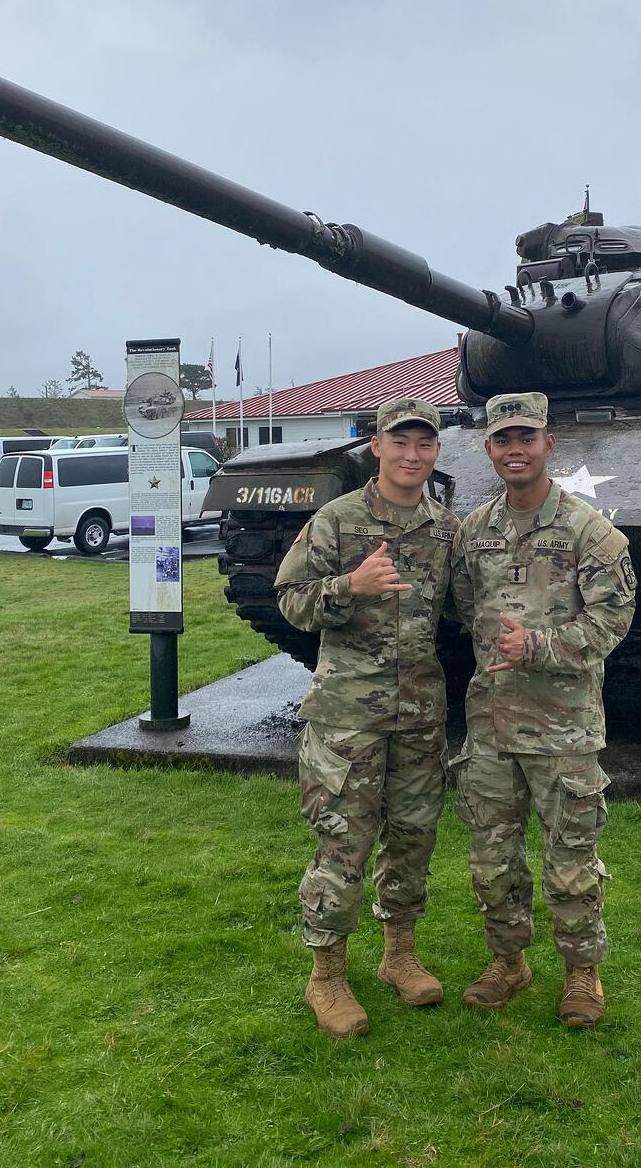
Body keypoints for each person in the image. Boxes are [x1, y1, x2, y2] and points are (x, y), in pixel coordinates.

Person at [450, 391, 635, 1028]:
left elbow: (613, 620)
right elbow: (462, 607)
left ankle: (583, 975)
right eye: (503, 440)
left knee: (571, 859)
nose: (515, 450)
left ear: (548, 444)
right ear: (489, 450)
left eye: (526, 437)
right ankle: (509, 962)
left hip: (563, 726)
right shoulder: (474, 533)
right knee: (491, 859)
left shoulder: (590, 531)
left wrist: (536, 646)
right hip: (491, 725)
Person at [274, 398, 458, 1039]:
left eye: (424, 444)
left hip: (419, 714)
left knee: (413, 838)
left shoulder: (444, 529)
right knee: (343, 843)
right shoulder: (338, 521)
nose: (412, 455)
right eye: (399, 442)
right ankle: (326, 977)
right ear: (375, 446)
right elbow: (291, 600)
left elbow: (470, 608)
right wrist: (350, 587)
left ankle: (398, 955)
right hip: (348, 716)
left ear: (437, 452)